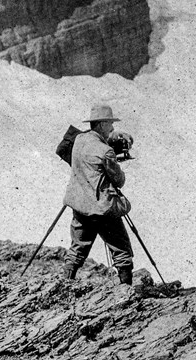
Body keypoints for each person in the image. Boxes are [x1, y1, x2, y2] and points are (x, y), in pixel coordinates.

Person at [61, 105, 134, 284]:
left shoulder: (79, 140)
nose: (112, 128)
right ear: (101, 125)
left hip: (80, 205)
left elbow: (88, 145)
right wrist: (115, 160)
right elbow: (118, 181)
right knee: (121, 251)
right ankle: (127, 290)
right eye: (110, 124)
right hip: (102, 209)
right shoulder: (106, 151)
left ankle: (65, 284)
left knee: (77, 249)